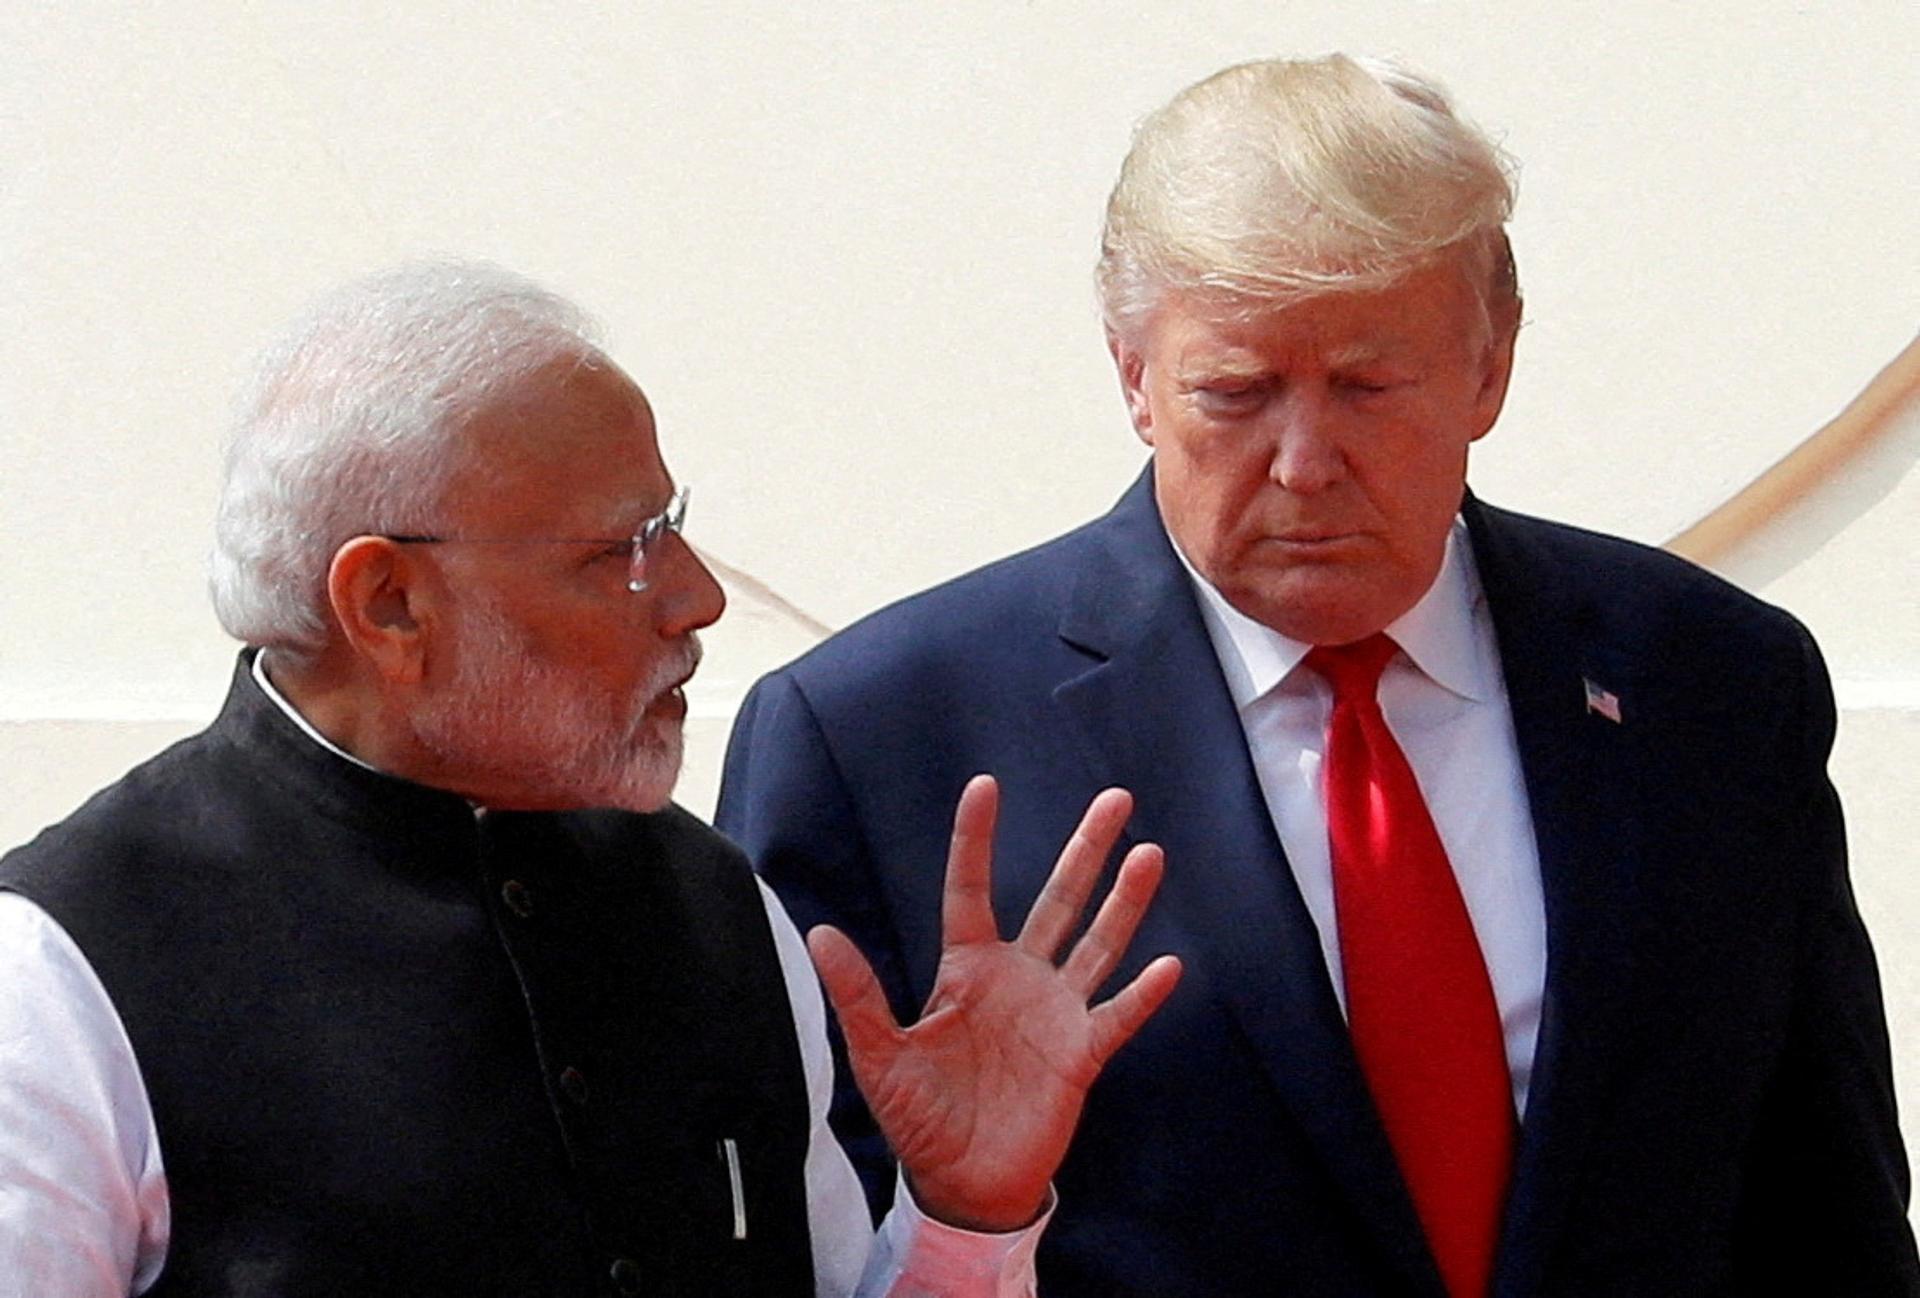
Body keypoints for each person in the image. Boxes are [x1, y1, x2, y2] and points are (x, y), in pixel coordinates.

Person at [717, 53, 1920, 1297]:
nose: (1302, 463)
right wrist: (969, 1213)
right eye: (1234, 393)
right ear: (1134, 377)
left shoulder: (1709, 683)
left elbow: (1828, 1214)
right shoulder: (882, 743)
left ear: (1489, 364)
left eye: (1367, 385)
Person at [0, 261, 1181, 1297]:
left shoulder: (715, 904)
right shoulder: (62, 975)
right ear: (389, 604)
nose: (696, 596)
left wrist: (966, 1215)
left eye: (671, 526)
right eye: (620, 551)